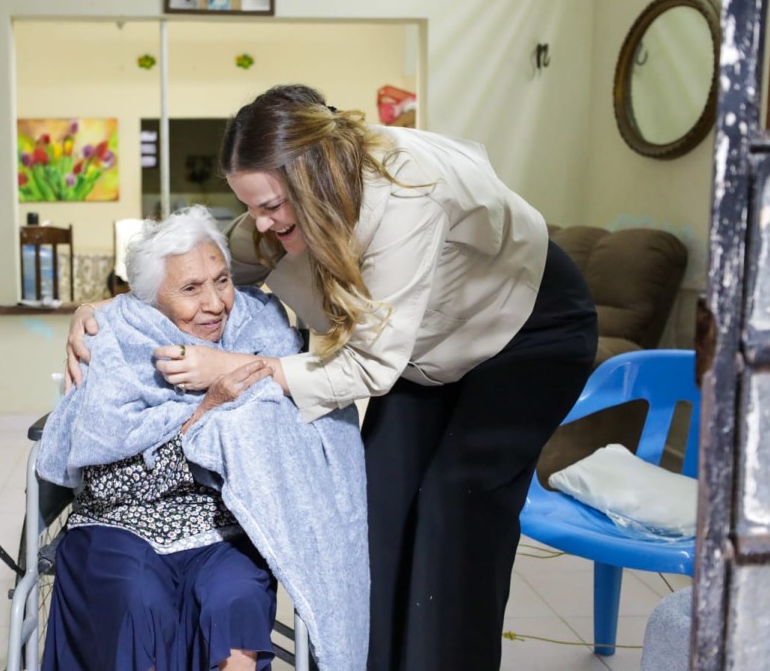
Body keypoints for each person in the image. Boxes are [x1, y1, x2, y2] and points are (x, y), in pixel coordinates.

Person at [66, 85, 597, 669]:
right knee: (374, 501)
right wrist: (103, 312)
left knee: (455, 507)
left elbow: (370, 364)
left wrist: (246, 369)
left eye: (269, 205)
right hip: (426, 349)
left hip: (526, 331)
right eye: (251, 206)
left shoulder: (403, 199)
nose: (261, 224)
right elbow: (191, 272)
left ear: (311, 176)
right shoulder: (278, 213)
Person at [42, 205, 369, 671]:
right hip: (119, 526)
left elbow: (292, 446)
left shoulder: (259, 324)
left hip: (224, 526)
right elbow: (112, 484)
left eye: (221, 281)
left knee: (235, 600)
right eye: (191, 289)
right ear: (150, 298)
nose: (214, 303)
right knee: (139, 602)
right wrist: (207, 411)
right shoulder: (115, 340)